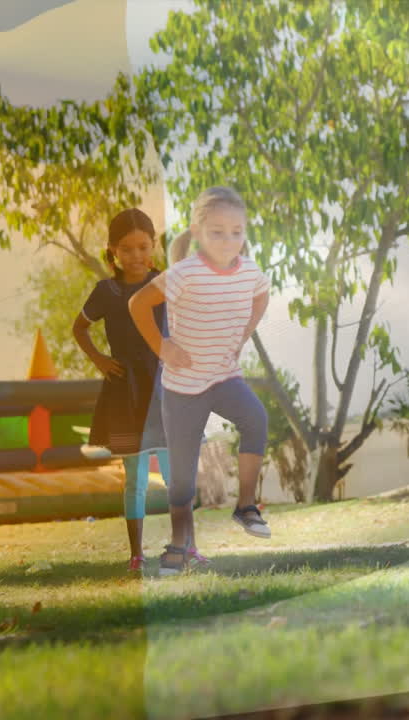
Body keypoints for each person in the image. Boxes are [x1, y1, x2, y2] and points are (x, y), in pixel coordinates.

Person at [129, 186, 271, 577]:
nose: (229, 241)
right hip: (182, 388)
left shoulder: (250, 271)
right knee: (183, 474)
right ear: (198, 230)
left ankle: (246, 506)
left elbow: (261, 296)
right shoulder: (185, 273)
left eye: (237, 232)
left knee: (256, 418)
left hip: (223, 376)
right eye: (217, 232)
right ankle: (178, 546)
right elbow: (137, 305)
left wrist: (244, 333)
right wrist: (163, 347)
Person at [72, 207, 207, 572]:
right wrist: (99, 360)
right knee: (134, 481)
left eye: (143, 247)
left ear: (154, 247)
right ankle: (136, 555)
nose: (136, 256)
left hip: (165, 390)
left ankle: (187, 547)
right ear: (112, 251)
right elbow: (79, 329)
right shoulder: (106, 291)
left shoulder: (166, 283)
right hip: (124, 392)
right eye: (127, 249)